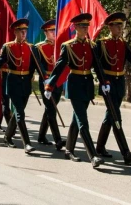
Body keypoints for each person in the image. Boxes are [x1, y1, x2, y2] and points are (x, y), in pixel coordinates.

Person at [45, 13, 107, 168]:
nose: (85, 29)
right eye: (82, 26)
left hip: (87, 85)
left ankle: (69, 150)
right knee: (83, 121)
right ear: (75, 28)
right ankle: (93, 156)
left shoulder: (92, 45)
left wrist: (104, 81)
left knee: (76, 119)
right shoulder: (68, 46)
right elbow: (59, 67)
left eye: (86, 26)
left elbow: (98, 66)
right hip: (75, 84)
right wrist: (50, 85)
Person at [0, 19, 40, 154]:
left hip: (25, 84)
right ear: (15, 32)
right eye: (21, 31)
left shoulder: (31, 47)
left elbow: (37, 67)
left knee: (18, 113)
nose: (24, 33)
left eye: (25, 31)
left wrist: (47, 81)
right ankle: (27, 144)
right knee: (20, 113)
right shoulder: (8, 47)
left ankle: (7, 136)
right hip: (13, 82)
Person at [95, 12, 131, 163]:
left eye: (121, 25)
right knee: (116, 115)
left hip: (119, 82)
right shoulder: (102, 43)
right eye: (116, 25)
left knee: (110, 115)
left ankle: (99, 147)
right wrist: (103, 82)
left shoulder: (123, 43)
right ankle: (125, 152)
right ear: (109, 27)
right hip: (108, 83)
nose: (120, 28)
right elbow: (97, 66)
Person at [35, 19, 65, 150]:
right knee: (51, 109)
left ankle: (41, 136)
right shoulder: (39, 47)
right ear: (46, 32)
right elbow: (39, 66)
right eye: (51, 31)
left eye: (55, 30)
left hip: (58, 81)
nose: (54, 33)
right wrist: (45, 77)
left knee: (50, 109)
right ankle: (58, 139)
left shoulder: (60, 46)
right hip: (46, 81)